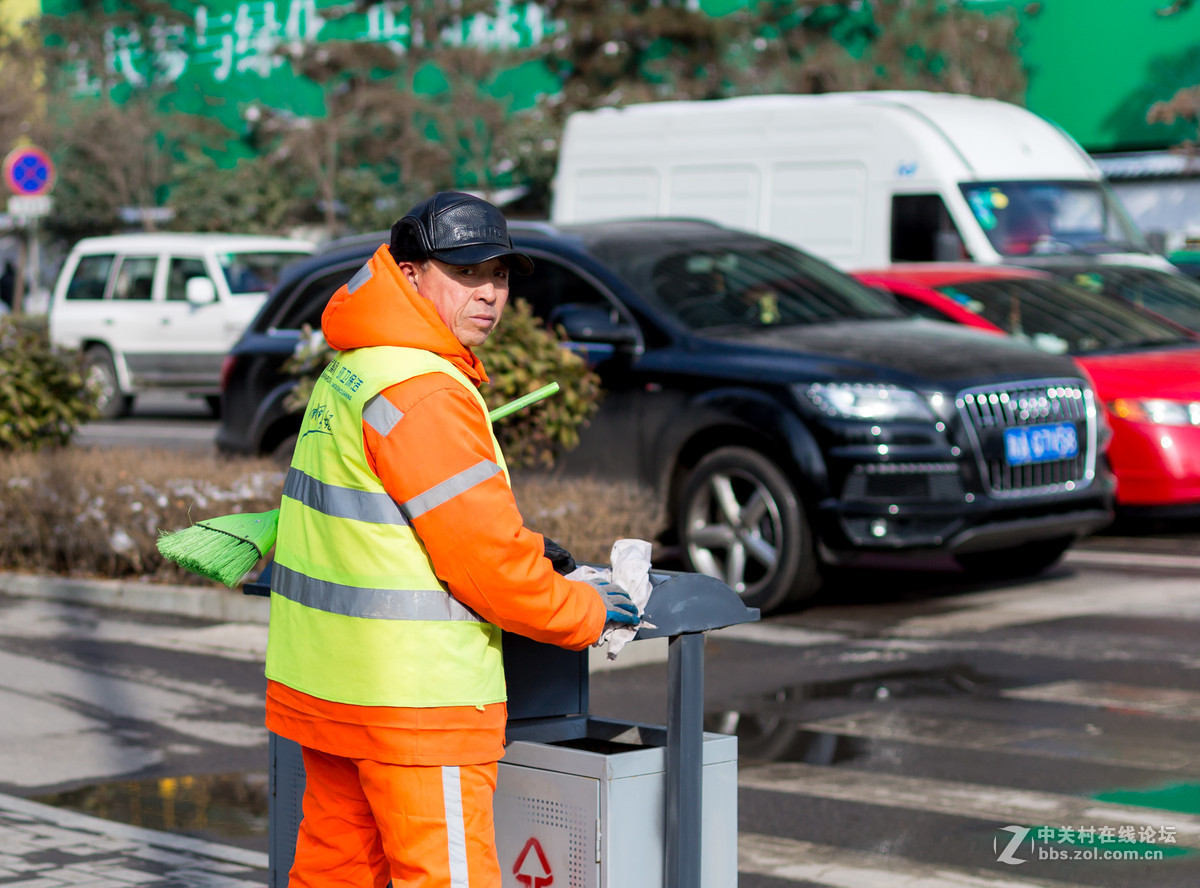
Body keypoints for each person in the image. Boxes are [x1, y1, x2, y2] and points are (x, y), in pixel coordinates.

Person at [263, 191, 639, 888]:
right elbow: (486, 563)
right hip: (416, 705)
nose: (489, 294)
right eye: (465, 274)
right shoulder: (424, 388)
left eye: (498, 275)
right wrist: (584, 611)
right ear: (409, 275)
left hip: (332, 690)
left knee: (334, 873)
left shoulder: (355, 367)